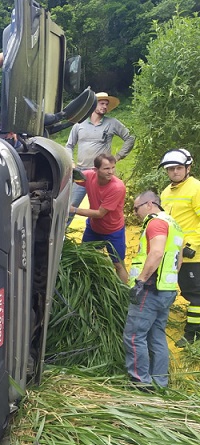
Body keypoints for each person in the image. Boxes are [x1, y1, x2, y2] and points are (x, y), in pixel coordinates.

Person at [124, 190, 183, 388]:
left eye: (136, 208)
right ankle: (160, 382)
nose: (135, 213)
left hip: (150, 289)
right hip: (167, 289)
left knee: (134, 336)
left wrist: (141, 281)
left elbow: (156, 253)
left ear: (150, 204)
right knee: (156, 335)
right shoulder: (173, 224)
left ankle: (140, 382)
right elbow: (179, 260)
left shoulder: (155, 222)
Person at [65, 92, 135, 222]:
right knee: (70, 208)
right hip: (81, 173)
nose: (105, 107)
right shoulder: (79, 125)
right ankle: (62, 238)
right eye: (102, 103)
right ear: (92, 105)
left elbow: (130, 137)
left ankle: (100, 236)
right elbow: (69, 145)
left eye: (106, 104)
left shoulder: (112, 123)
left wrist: (118, 157)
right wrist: (72, 162)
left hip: (102, 175)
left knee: (103, 210)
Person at [159, 148, 200, 346]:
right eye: (170, 169)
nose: (174, 172)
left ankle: (193, 335)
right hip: (172, 251)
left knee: (194, 294)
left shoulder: (196, 188)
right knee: (183, 291)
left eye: (178, 168)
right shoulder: (165, 193)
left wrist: (192, 245)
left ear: (188, 167)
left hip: (192, 253)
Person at [68, 152, 129, 283]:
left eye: (113, 167)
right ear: (95, 170)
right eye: (106, 168)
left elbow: (100, 214)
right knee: (84, 257)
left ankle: (123, 294)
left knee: (118, 265)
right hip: (94, 228)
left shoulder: (117, 187)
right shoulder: (89, 176)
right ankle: (88, 284)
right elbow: (71, 176)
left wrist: (73, 210)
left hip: (113, 231)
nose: (111, 172)